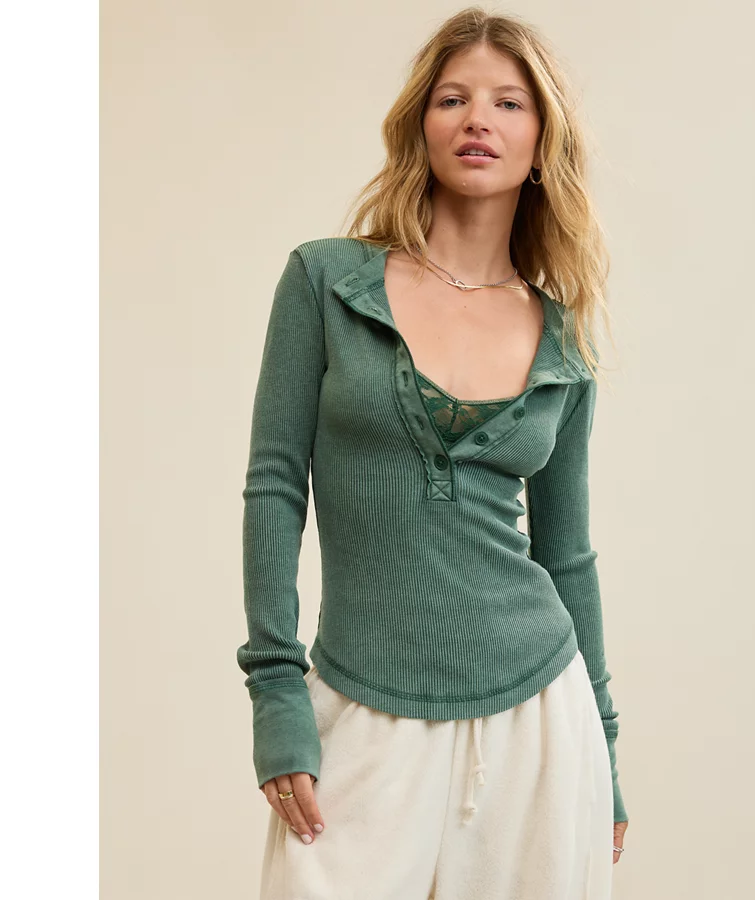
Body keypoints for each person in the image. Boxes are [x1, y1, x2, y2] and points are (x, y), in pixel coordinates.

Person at [237, 7, 630, 899]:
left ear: (543, 143)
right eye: (453, 99)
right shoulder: (327, 282)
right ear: (421, 124)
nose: (478, 119)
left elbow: (567, 553)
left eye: (508, 103)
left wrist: (604, 747)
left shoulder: (563, 337)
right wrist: (277, 693)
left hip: (539, 713)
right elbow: (274, 488)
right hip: (361, 700)